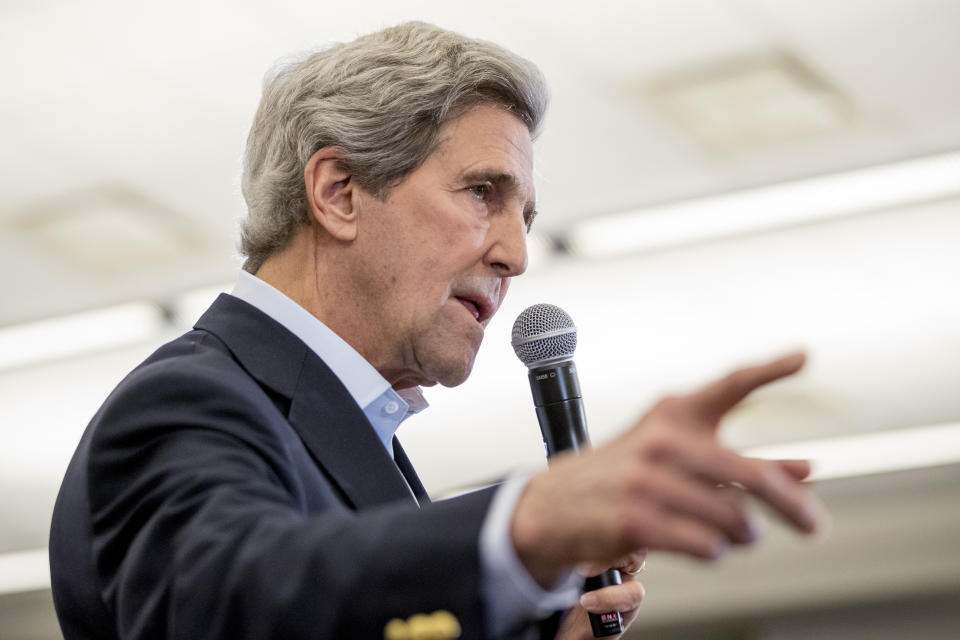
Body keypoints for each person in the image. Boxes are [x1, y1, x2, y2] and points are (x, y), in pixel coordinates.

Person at [49, 21, 826, 640]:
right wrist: (525, 521)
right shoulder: (188, 401)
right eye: (483, 193)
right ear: (339, 191)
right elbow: (238, 603)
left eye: (524, 216)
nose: (516, 254)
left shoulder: (362, 440)